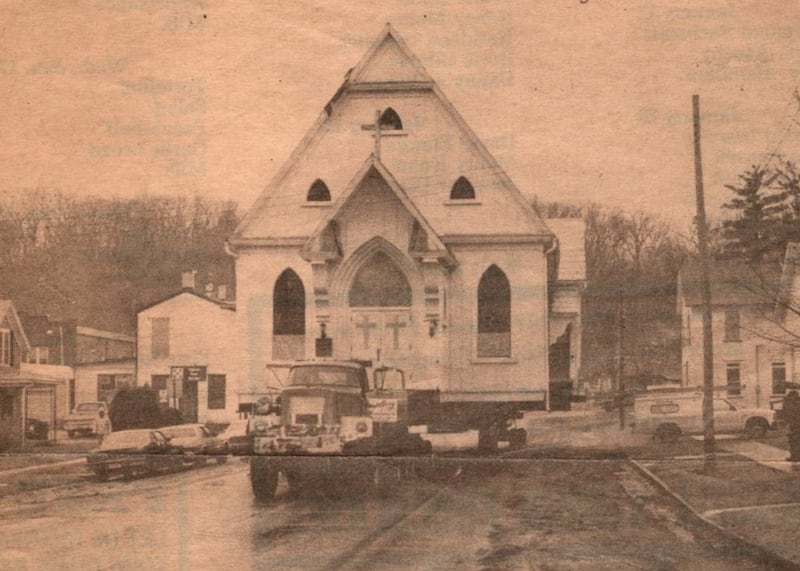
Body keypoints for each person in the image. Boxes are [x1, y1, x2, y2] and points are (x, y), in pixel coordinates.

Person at [782, 390, 800, 462]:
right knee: (793, 441)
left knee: (794, 441)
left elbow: (789, 413)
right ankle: (794, 456)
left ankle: (795, 457)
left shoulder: (795, 404)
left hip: (796, 425)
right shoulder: (794, 403)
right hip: (794, 425)